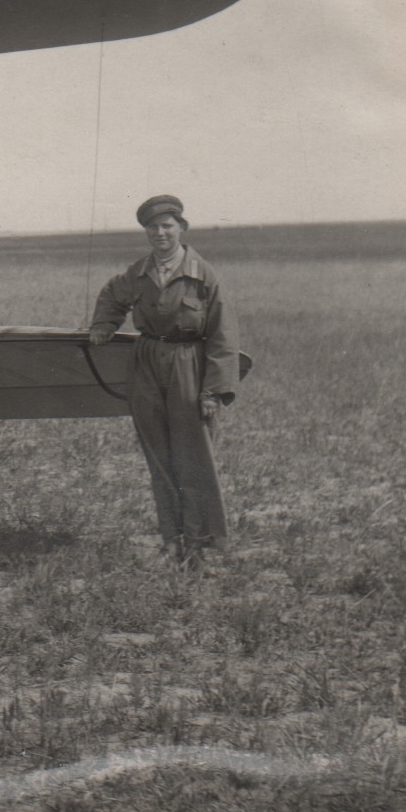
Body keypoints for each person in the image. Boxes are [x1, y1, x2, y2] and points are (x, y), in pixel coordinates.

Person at [88, 195, 244, 569]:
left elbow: (224, 337)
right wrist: (104, 325)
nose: (160, 233)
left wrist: (213, 392)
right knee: (158, 455)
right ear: (146, 232)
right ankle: (170, 542)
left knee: (193, 457)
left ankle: (197, 544)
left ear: (182, 229)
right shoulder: (138, 273)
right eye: (153, 227)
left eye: (167, 226)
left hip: (189, 365)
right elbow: (113, 295)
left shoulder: (203, 275)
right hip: (146, 364)